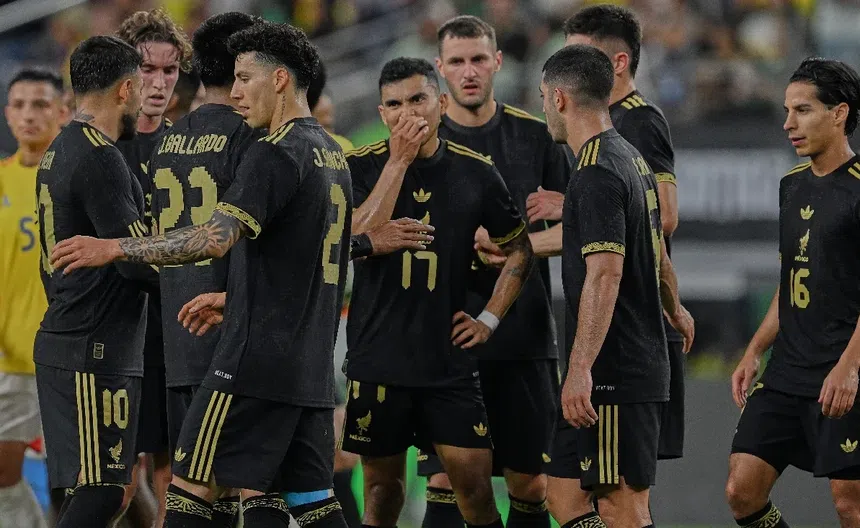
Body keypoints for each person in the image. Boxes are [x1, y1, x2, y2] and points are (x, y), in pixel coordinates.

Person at [49, 22, 356, 528]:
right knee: (310, 501)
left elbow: (213, 238)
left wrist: (115, 246)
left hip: (250, 362)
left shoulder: (272, 151)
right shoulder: (329, 152)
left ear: (279, 79)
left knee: (189, 491)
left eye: (244, 78)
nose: (234, 92)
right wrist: (238, 297)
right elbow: (307, 254)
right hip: (308, 363)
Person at [340, 56, 534, 528]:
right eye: (394, 105)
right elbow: (349, 238)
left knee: (475, 491)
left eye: (417, 99)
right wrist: (399, 161)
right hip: (377, 359)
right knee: (382, 494)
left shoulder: (476, 172)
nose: (406, 113)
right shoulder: (358, 167)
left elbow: (520, 249)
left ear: (441, 103)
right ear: (382, 113)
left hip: (447, 364)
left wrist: (489, 318)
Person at [526, 5, 690, 523]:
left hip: (614, 368)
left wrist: (579, 370)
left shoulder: (598, 172)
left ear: (559, 99)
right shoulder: (627, 157)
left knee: (623, 507)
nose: (544, 110)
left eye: (543, 99)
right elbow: (656, 247)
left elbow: (605, 273)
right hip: (618, 361)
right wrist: (675, 306)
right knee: (564, 496)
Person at [413, 15, 570, 528]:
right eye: (457, 61)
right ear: (440, 69)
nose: (469, 71)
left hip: (523, 338)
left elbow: (582, 228)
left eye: (479, 59)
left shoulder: (537, 137)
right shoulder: (421, 145)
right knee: (448, 479)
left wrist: (518, 246)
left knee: (530, 483)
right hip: (446, 341)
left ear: (498, 62)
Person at [727, 57, 860, 528]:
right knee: (742, 491)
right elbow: (792, 281)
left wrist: (849, 368)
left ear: (839, 113)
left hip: (844, 367)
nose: (788, 124)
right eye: (787, 110)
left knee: (850, 504)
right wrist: (754, 349)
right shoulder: (791, 186)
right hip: (788, 370)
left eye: (802, 110)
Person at [34, 35, 157, 528]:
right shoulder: (99, 156)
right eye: (141, 86)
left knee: (109, 489)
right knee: (103, 491)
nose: (143, 99)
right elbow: (134, 260)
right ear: (125, 89)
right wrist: (200, 281)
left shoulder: (60, 148)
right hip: (92, 346)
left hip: (82, 339)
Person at [145, 11, 262, 527]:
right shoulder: (252, 137)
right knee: (224, 488)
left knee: (206, 489)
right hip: (230, 336)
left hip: (178, 339)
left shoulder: (167, 140)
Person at [114, 9, 193, 527]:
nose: (160, 83)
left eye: (170, 70)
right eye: (148, 69)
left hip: (174, 326)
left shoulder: (188, 147)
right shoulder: (101, 147)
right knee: (114, 481)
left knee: (173, 473)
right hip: (117, 325)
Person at [0, 67, 67, 528]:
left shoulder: (76, 176)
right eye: (20, 105)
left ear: (62, 112)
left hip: (70, 356)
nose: (29, 115)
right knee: (4, 477)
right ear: (7, 114)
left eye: (40, 104)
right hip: (10, 362)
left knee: (85, 484)